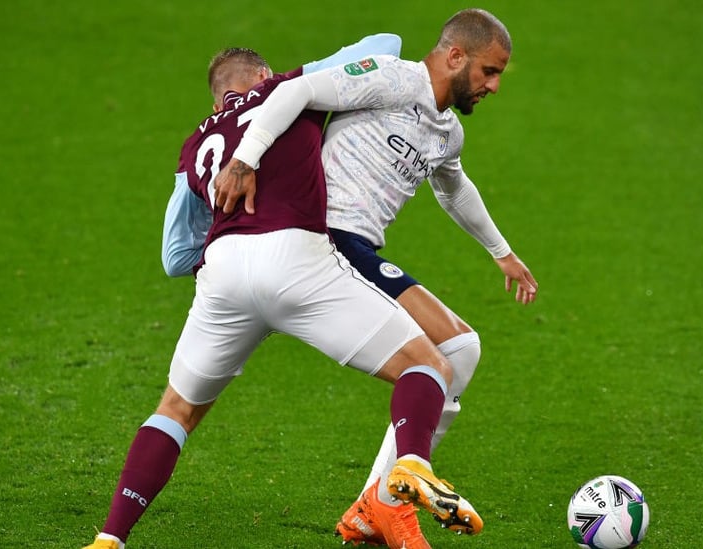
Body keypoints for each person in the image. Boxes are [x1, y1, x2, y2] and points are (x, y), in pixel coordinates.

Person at [82, 36, 483, 549]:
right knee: (429, 366)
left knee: (175, 411)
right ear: (262, 74)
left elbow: (174, 256)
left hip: (223, 276)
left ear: (216, 100)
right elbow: (386, 45)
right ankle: (407, 469)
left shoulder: (195, 146)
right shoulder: (288, 87)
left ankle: (109, 539)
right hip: (298, 259)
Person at [212, 8, 538, 547]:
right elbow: (296, 92)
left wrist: (502, 253)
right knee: (455, 350)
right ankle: (385, 503)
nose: (494, 86)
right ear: (455, 56)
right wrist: (245, 160)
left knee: (461, 348)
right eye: (489, 71)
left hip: (357, 246)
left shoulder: (447, 131)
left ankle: (377, 504)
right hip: (323, 237)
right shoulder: (391, 77)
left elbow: (454, 188)